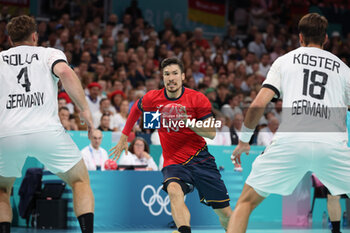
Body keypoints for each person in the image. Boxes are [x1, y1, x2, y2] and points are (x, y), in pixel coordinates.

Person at [228, 13, 350, 233]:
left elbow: (257, 105)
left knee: (245, 203)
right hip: (332, 144)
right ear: (325, 40)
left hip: (291, 141)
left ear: (300, 38)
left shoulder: (284, 61)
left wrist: (244, 140)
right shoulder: (343, 69)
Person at [110, 57, 232, 233]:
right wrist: (123, 136)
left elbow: (211, 132)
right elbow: (136, 109)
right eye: (167, 74)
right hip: (173, 162)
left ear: (183, 77)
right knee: (173, 190)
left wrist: (189, 122)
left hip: (200, 159)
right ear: (163, 77)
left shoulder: (197, 99)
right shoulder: (153, 98)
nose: (171, 77)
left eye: (175, 73)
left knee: (225, 214)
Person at [0, 15, 94, 233]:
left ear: (10, 39)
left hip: (7, 134)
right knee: (80, 181)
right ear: (34, 36)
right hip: (47, 132)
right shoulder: (49, 53)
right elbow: (65, 72)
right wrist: (85, 110)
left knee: (3, 189)